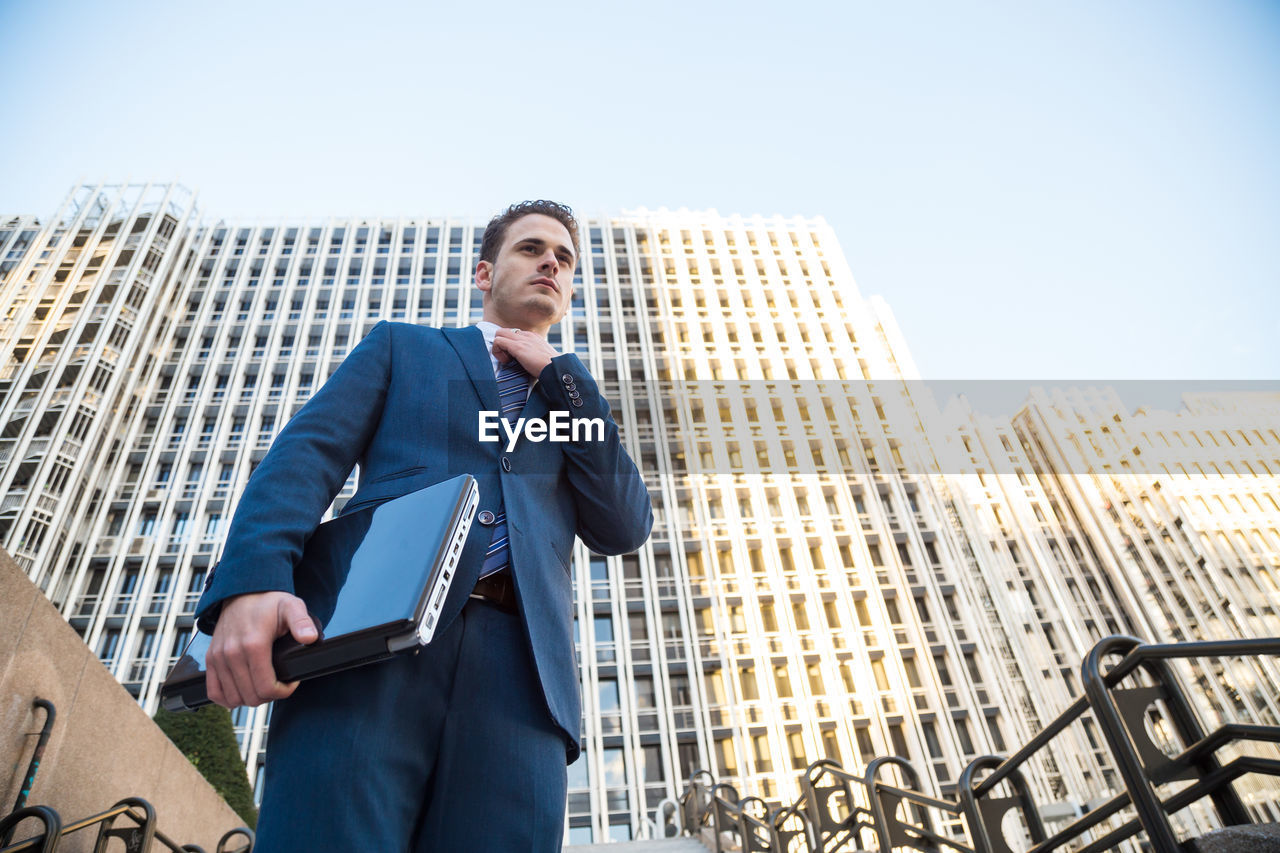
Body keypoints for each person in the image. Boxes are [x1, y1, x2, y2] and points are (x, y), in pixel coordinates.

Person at [195, 200, 653, 851]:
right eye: (531, 248)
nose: (551, 261)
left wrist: (563, 376)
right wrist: (251, 581)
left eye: (565, 258)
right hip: (369, 640)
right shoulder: (402, 346)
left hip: (523, 681)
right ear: (484, 273)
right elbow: (304, 457)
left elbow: (625, 524)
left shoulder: (572, 402)